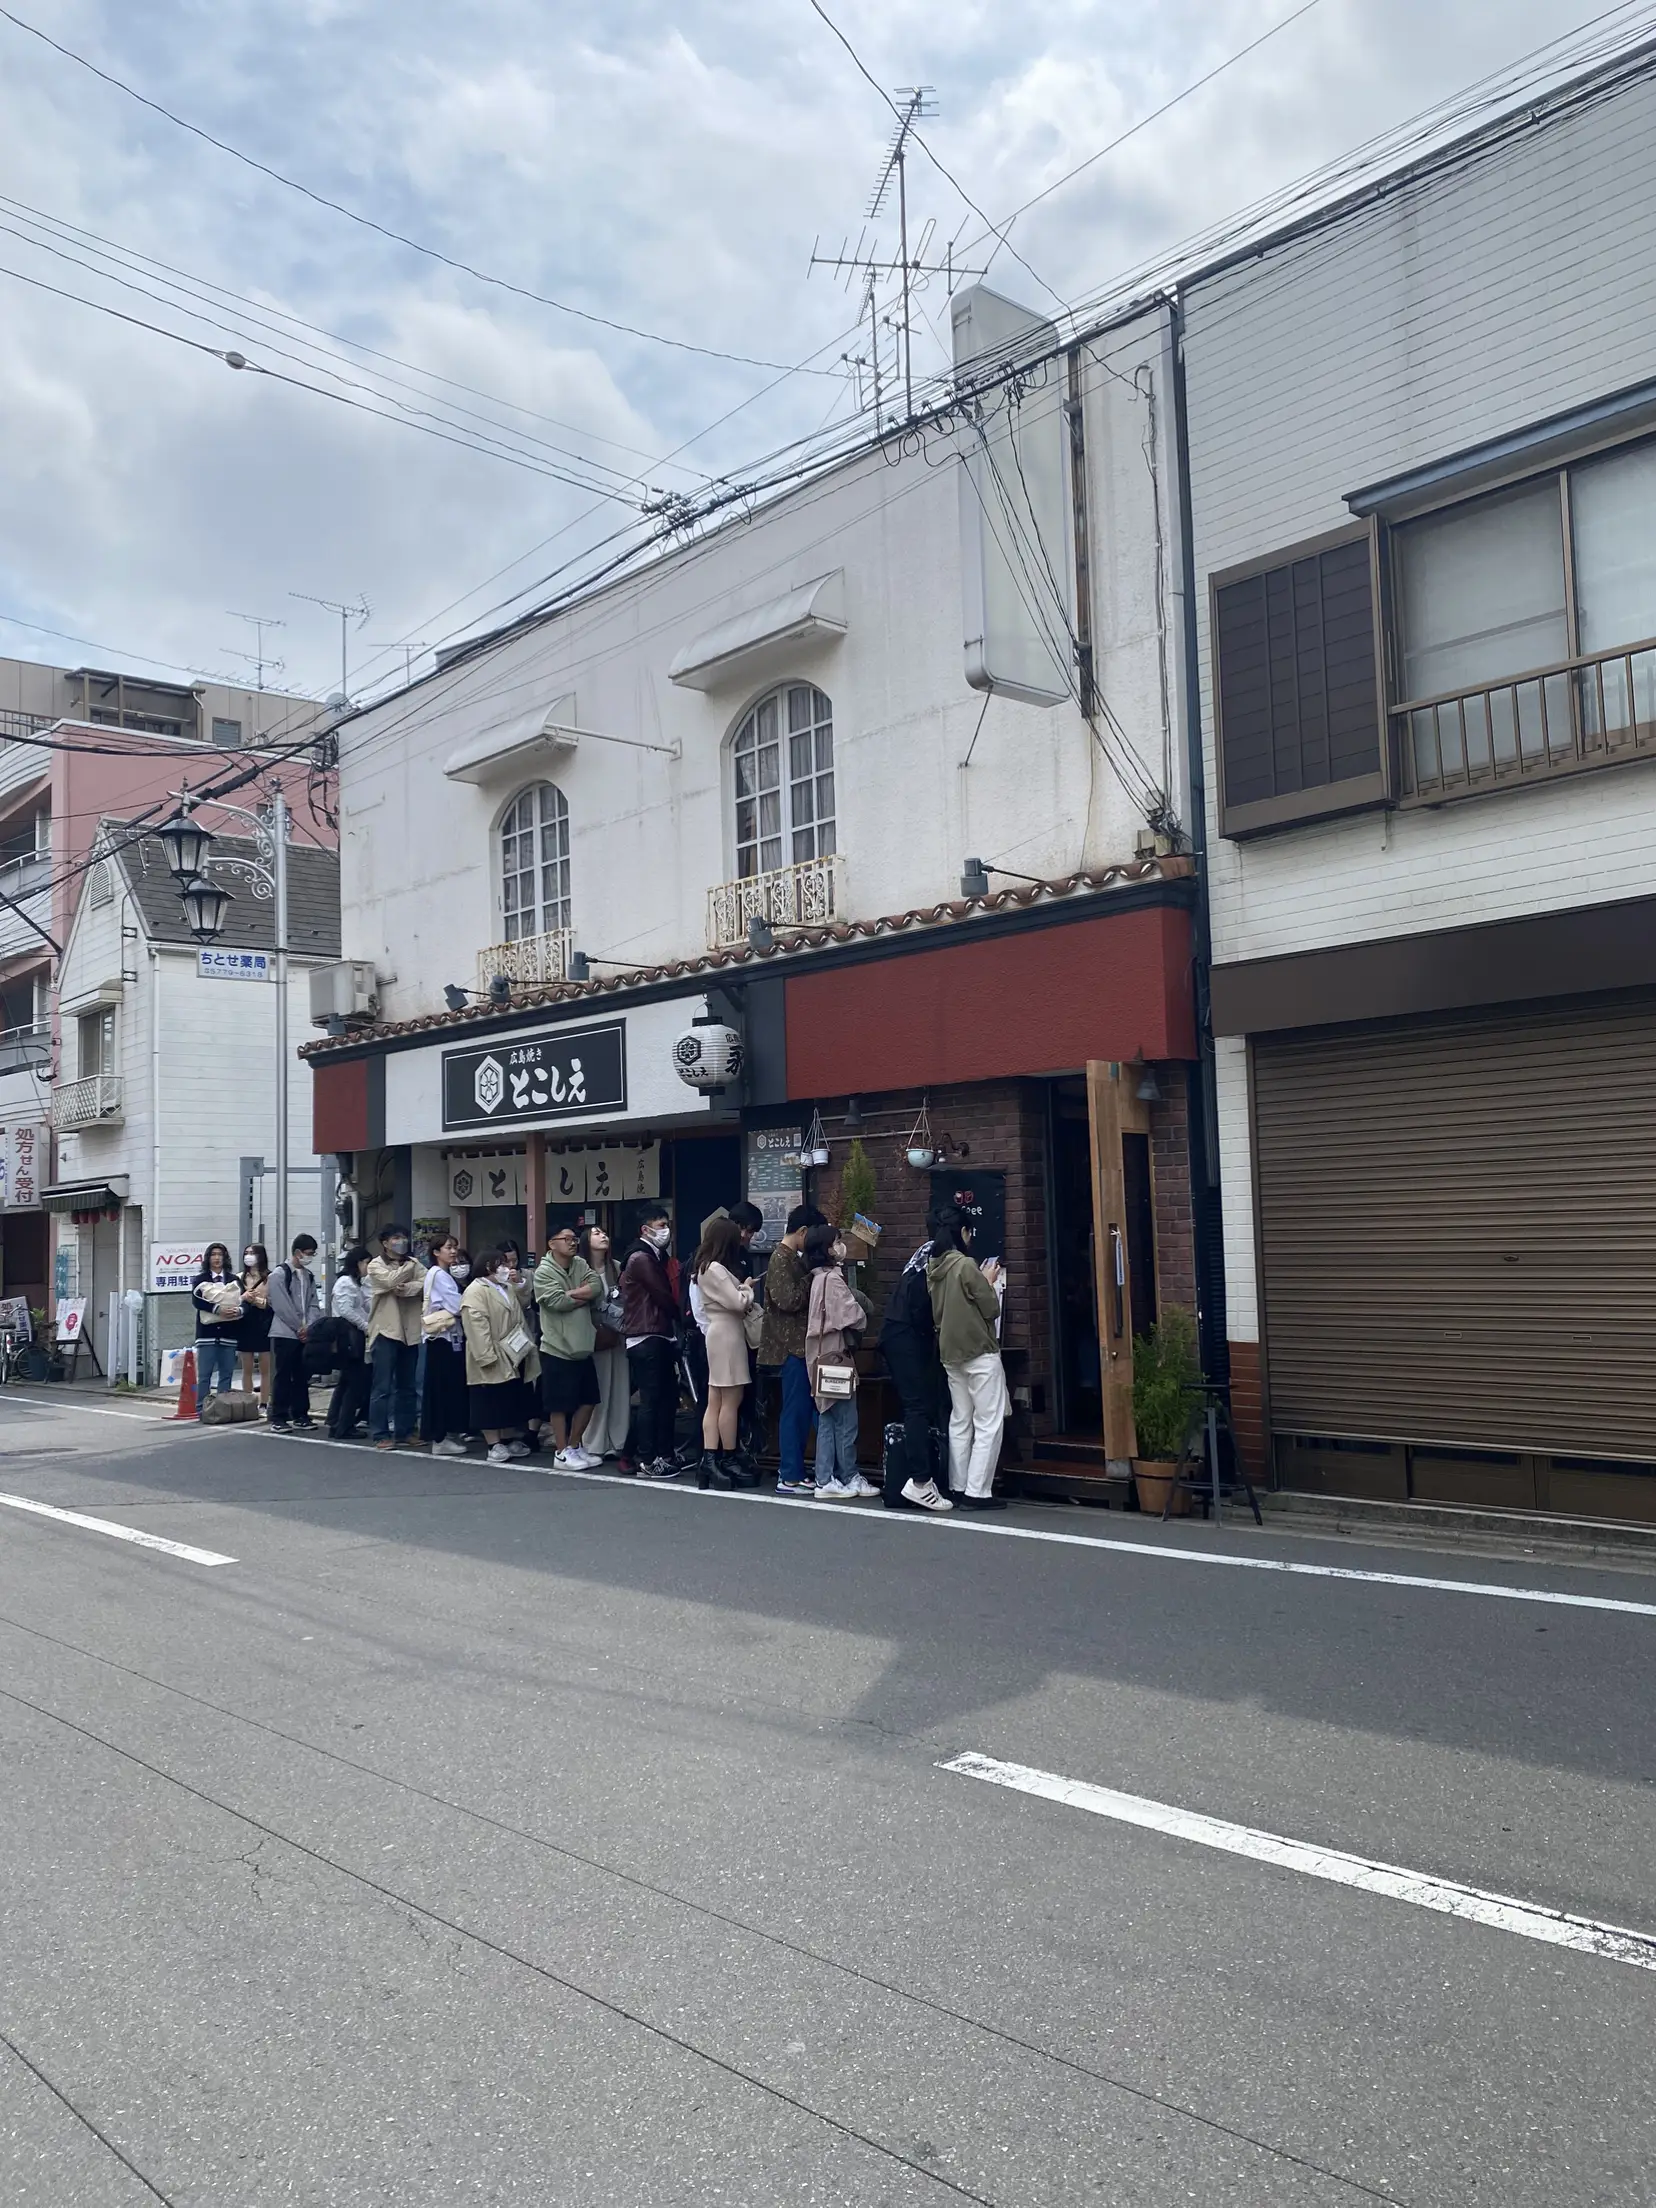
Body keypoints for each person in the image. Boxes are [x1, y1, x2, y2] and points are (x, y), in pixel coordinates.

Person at [926, 1205, 1009, 1512]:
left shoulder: (932, 1267)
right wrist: (988, 1280)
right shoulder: (966, 1266)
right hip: (979, 1350)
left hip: (950, 1353)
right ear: (962, 1232)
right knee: (988, 1421)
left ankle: (958, 1487)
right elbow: (991, 1308)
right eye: (969, 1232)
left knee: (960, 1419)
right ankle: (978, 1491)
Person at [878, 1231, 952, 1513]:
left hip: (896, 1335)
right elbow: (923, 1311)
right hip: (906, 1339)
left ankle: (919, 1478)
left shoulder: (921, 1256)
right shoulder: (940, 1263)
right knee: (917, 1407)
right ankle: (920, 1482)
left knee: (916, 1406)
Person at [802, 1226, 878, 1500]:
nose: (840, 1246)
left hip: (819, 1355)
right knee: (845, 1419)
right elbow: (852, 1316)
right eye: (836, 1242)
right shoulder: (832, 1280)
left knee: (828, 1419)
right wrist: (859, 1304)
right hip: (835, 1356)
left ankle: (827, 1478)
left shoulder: (817, 1278)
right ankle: (846, 1475)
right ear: (826, 1248)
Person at [759, 1204, 826, 1497]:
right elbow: (788, 1300)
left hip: (799, 1345)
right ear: (802, 1232)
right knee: (795, 1411)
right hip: (789, 1347)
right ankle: (789, 1475)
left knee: (801, 1409)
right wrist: (814, 1275)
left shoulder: (790, 1258)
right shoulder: (779, 1259)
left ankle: (797, 1471)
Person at [691, 1215, 758, 1490]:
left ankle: (710, 1459)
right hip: (728, 1333)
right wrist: (747, 1289)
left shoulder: (704, 1267)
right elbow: (738, 1303)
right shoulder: (716, 1269)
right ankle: (726, 1456)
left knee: (716, 1399)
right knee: (730, 1399)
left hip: (718, 1333)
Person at [461, 1244, 541, 1464]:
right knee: (489, 1398)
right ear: (489, 1267)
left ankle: (507, 1439)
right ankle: (493, 1443)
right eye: (502, 1264)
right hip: (491, 1350)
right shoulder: (476, 1290)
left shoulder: (504, 1287)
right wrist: (486, 1355)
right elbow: (476, 1325)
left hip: (513, 1350)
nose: (507, 1268)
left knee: (509, 1397)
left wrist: (518, 1283)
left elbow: (523, 1302)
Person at [533, 1224, 604, 1469]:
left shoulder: (581, 1264)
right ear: (552, 1244)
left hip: (583, 1344)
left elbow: (596, 1287)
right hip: (557, 1347)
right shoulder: (543, 1271)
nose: (573, 1243)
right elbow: (555, 1302)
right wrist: (580, 1296)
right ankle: (561, 1452)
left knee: (589, 1399)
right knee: (560, 1404)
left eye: (574, 1239)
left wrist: (571, 1294)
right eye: (566, 1239)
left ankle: (575, 1445)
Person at [619, 1205, 681, 1479]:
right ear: (645, 1229)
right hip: (647, 1334)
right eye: (660, 1224)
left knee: (665, 1398)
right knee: (651, 1400)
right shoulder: (641, 1258)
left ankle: (663, 1453)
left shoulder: (654, 1255)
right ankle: (647, 1458)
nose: (665, 1230)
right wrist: (679, 1313)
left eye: (667, 1224)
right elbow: (662, 1294)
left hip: (657, 1333)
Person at [366, 1223, 424, 1450]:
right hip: (385, 1330)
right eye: (396, 1238)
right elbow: (389, 1282)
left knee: (407, 1385)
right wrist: (406, 1275)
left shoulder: (414, 1263)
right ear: (385, 1242)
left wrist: (406, 1288)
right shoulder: (375, 1265)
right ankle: (380, 1433)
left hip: (410, 1331)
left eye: (404, 1238)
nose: (401, 1242)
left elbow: (425, 1283)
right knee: (382, 1387)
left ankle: (406, 1430)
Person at [577, 1224, 630, 1462]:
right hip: (593, 1334)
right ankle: (593, 1441)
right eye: (596, 1233)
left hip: (617, 1333)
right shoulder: (580, 1268)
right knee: (598, 1388)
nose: (603, 1236)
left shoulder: (616, 1267)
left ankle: (617, 1440)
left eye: (604, 1233)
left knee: (619, 1385)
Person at [421, 1236, 471, 1457]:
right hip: (443, 1338)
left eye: (455, 1247)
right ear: (436, 1252)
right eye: (448, 1248)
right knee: (443, 1388)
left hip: (444, 1338)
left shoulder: (440, 1274)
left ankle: (444, 1434)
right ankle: (441, 1437)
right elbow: (456, 1305)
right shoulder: (440, 1275)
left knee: (443, 1387)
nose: (453, 1252)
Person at [267, 1233, 320, 1431]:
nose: (310, 1257)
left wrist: (310, 1327)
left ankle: (301, 1414)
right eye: (308, 1253)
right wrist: (299, 1327)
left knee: (301, 1375)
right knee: (283, 1374)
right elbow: (282, 1306)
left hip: (304, 1333)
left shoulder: (308, 1276)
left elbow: (314, 1303)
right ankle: (278, 1417)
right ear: (297, 1253)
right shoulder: (279, 1274)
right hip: (284, 1333)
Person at [326, 1244, 372, 1439]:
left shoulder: (356, 1282)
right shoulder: (345, 1282)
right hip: (349, 1336)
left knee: (346, 1381)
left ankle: (337, 1422)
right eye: (367, 1263)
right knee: (354, 1382)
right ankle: (344, 1425)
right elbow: (346, 1310)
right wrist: (365, 1326)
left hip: (352, 1336)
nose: (368, 1268)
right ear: (359, 1262)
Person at [191, 1243, 241, 1416]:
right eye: (213, 1254)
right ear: (208, 1258)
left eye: (220, 1254)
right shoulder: (200, 1279)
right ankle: (201, 1409)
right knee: (205, 1374)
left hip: (229, 1333)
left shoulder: (234, 1279)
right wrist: (217, 1310)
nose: (217, 1258)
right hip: (207, 1335)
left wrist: (239, 1311)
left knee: (226, 1373)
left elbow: (244, 1302)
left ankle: (223, 1408)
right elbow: (196, 1301)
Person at [235, 1243, 272, 1413]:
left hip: (264, 1324)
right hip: (244, 1323)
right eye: (246, 1253)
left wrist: (257, 1300)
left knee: (265, 1367)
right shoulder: (239, 1277)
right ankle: (248, 1401)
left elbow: (271, 1303)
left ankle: (264, 1402)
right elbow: (233, 1299)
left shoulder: (270, 1277)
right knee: (247, 1367)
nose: (249, 1256)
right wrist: (244, 1297)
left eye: (253, 1253)